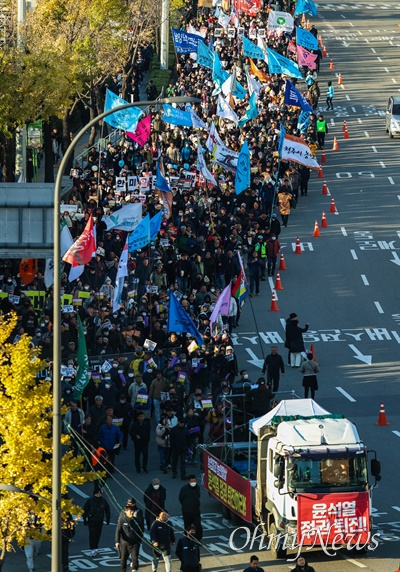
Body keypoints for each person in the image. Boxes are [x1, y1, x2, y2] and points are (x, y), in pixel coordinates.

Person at [115, 500, 144, 572]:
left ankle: (134, 570)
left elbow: (141, 530)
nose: (132, 512)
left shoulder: (136, 520)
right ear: (126, 512)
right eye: (130, 511)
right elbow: (118, 531)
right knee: (123, 559)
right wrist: (117, 541)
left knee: (135, 559)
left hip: (135, 543)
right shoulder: (122, 520)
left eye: (132, 511)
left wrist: (139, 540)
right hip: (125, 543)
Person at [82, 488, 111, 557]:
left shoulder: (103, 501)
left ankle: (96, 548)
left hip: (100, 520)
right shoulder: (90, 501)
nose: (98, 495)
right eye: (97, 494)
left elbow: (107, 510)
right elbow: (85, 510)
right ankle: (92, 548)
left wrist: (108, 518)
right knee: (92, 535)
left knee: (98, 534)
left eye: (99, 494)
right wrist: (85, 519)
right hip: (91, 520)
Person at [179, 475, 202, 541]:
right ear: (188, 481)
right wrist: (186, 505)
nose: (193, 483)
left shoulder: (197, 488)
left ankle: (198, 539)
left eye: (194, 481)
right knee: (187, 525)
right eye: (192, 481)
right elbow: (181, 498)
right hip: (187, 511)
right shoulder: (184, 489)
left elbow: (198, 496)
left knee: (198, 525)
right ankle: (187, 538)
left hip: (196, 511)